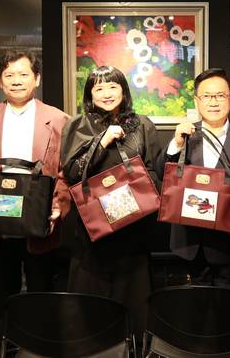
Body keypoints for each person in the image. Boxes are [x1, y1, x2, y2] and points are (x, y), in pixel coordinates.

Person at [0, 50, 69, 305]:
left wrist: (58, 206)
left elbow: (65, 173)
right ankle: (6, 330)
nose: (16, 81)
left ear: (37, 79)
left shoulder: (58, 119)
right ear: (0, 81)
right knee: (3, 292)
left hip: (39, 218)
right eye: (9, 75)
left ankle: (37, 330)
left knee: (40, 293)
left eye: (23, 74)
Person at [61, 65, 161, 336]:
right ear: (89, 94)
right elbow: (72, 173)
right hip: (92, 231)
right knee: (91, 303)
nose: (106, 93)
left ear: (124, 91)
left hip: (133, 227)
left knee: (133, 297)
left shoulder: (142, 125)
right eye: (99, 88)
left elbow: (154, 171)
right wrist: (102, 142)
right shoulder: (77, 125)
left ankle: (133, 346)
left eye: (113, 86)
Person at [161, 68, 230, 289]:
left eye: (220, 95)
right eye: (207, 96)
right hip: (191, 241)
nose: (213, 102)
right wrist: (176, 144)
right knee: (196, 304)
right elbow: (164, 176)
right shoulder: (186, 135)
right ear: (197, 101)